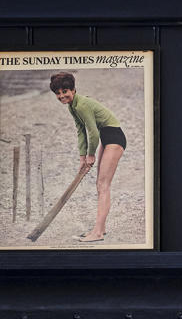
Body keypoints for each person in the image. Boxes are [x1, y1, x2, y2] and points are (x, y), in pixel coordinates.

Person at [50, 71, 127, 242]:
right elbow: (81, 132)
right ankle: (101, 229)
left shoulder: (82, 104)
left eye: (65, 92)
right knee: (100, 185)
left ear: (73, 89)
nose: (62, 96)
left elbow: (92, 132)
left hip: (114, 137)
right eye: (58, 93)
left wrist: (91, 154)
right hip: (106, 138)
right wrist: (82, 157)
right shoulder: (73, 106)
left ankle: (97, 233)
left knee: (103, 184)